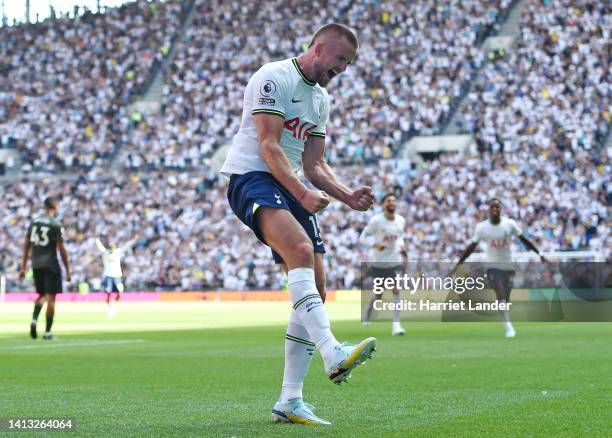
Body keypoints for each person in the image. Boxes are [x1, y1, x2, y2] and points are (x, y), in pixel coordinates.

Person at [220, 23, 377, 425]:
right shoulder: (274, 77)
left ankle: (290, 400)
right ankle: (332, 350)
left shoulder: (320, 100)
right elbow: (268, 146)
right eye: (341, 59)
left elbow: (315, 164)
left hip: (287, 182)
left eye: (349, 62)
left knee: (317, 289)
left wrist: (346, 195)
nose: (343, 68)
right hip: (252, 177)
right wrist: (303, 194)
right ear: (319, 49)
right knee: (300, 251)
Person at [451, 198, 548, 337]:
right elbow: (471, 247)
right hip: (492, 265)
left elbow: (524, 240)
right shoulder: (482, 227)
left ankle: (505, 317)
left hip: (508, 264)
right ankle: (508, 327)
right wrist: (458, 263)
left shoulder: (509, 224)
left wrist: (539, 254)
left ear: (501, 209)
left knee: (505, 298)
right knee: (500, 291)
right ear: (488, 210)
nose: (495, 210)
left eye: (497, 207)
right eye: (492, 207)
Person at [19, 197, 71, 340]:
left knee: (41, 295)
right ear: (55, 206)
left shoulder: (34, 222)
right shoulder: (55, 224)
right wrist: (67, 270)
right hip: (51, 264)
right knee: (51, 298)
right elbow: (62, 250)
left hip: (36, 264)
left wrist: (23, 267)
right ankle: (47, 332)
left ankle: (34, 320)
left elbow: (26, 245)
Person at [360, 193, 407, 335]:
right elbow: (362, 237)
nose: (392, 203)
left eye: (393, 200)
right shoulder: (376, 221)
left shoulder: (401, 220)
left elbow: (399, 238)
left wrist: (402, 249)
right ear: (383, 204)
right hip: (379, 263)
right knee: (379, 294)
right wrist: (375, 244)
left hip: (395, 261)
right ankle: (367, 316)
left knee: (396, 290)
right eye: (388, 201)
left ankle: (396, 326)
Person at [95, 235, 138, 318]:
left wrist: (133, 240)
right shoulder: (105, 253)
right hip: (108, 275)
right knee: (108, 292)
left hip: (117, 275)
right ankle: (109, 307)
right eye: (110, 249)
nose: (111, 250)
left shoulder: (118, 252)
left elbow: (126, 246)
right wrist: (97, 240)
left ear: (114, 248)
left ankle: (113, 304)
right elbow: (99, 246)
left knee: (120, 292)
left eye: (112, 249)